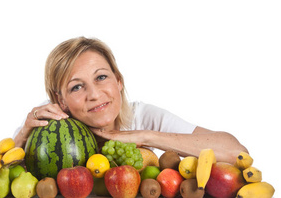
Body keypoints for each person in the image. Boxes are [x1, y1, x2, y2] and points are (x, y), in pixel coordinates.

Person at [14, 36, 247, 163]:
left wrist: (145, 136)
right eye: (76, 87)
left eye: (101, 77)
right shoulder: (48, 124)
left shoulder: (142, 116)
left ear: (119, 81)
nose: (94, 94)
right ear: (60, 100)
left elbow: (237, 153)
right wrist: (22, 135)